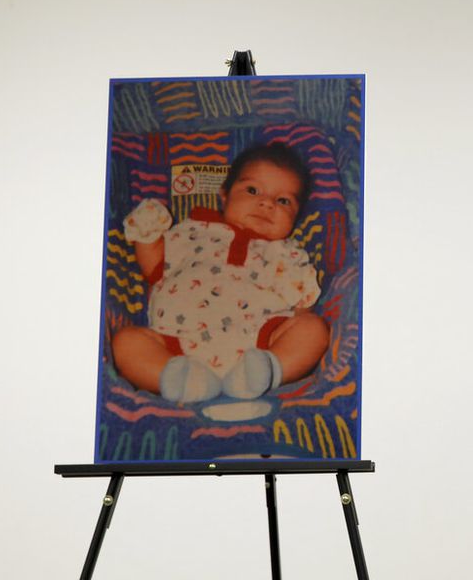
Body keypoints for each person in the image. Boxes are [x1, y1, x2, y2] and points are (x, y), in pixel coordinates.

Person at [113, 143, 331, 404]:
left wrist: (293, 339)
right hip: (175, 342)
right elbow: (153, 266)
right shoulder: (192, 231)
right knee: (126, 343)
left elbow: (301, 309)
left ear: (295, 218)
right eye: (252, 190)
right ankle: (179, 379)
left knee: (313, 330)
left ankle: (269, 371)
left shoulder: (287, 254)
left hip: (260, 344)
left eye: (283, 201)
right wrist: (147, 233)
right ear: (224, 195)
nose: (266, 203)